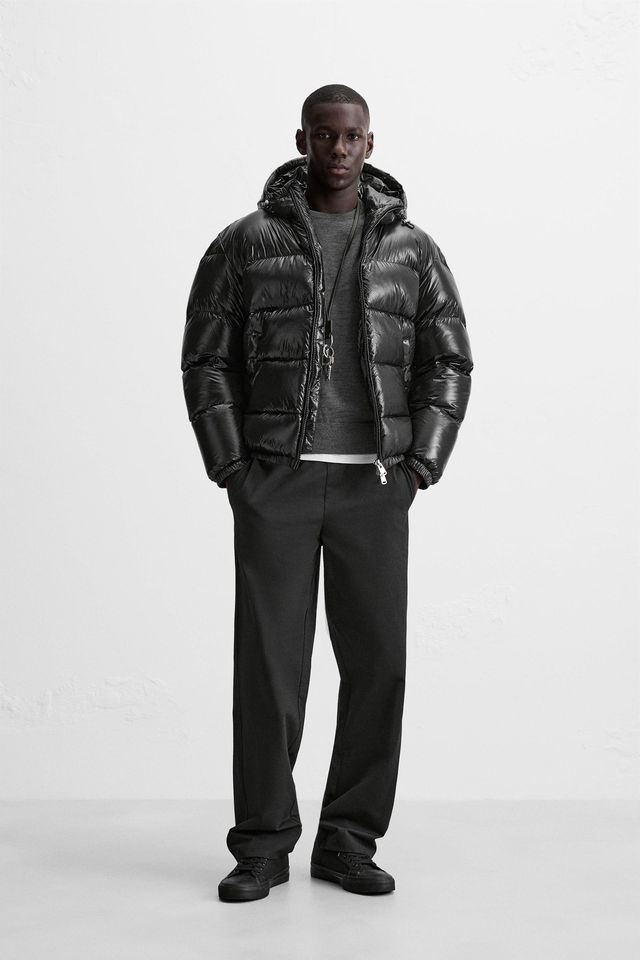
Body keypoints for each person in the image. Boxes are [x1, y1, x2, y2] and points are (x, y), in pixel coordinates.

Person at [181, 84, 473, 902]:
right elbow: (206, 358)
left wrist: (420, 466)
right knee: (268, 670)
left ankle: (348, 841)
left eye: (351, 137)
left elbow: (449, 360)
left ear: (370, 144)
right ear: (302, 139)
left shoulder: (413, 250)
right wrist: (233, 468)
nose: (338, 149)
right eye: (323, 135)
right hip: (275, 479)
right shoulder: (247, 242)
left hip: (373, 486)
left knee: (378, 667)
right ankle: (263, 845)